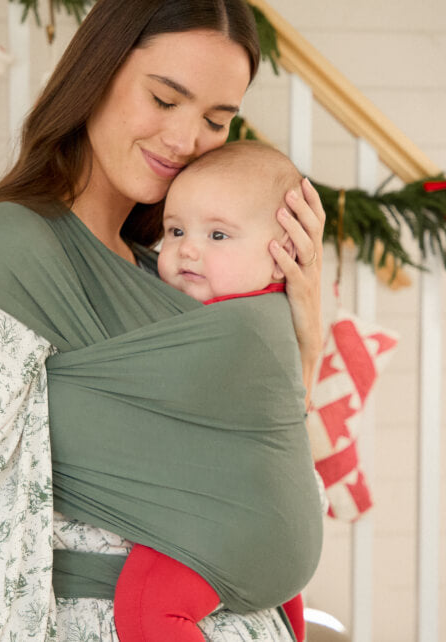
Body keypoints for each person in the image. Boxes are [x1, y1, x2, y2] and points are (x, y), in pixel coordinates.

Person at [0, 0, 327, 640]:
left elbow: (262, 495)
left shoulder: (175, 275)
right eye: (164, 98)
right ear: (97, 73)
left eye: (214, 119)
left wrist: (304, 345)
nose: (185, 140)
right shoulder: (5, 250)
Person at [113, 140, 313, 642]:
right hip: (285, 536)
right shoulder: (272, 315)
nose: (187, 249)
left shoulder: (239, 330)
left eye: (218, 234)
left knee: (145, 607)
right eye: (175, 230)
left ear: (280, 257)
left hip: (230, 528)